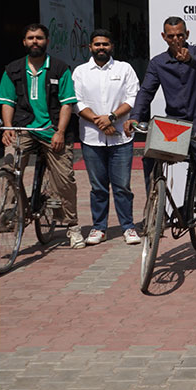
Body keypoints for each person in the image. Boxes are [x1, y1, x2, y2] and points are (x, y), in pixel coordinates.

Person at [131, 17, 196, 264]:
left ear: (186, 33)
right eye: (171, 36)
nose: (176, 39)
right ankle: (156, 211)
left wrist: (189, 59)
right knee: (150, 159)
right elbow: (146, 92)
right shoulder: (158, 63)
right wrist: (134, 117)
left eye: (180, 35)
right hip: (175, 129)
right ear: (163, 37)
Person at [0, 23, 81, 248]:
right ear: (24, 42)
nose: (35, 42)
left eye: (40, 38)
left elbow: (67, 105)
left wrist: (60, 132)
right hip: (24, 128)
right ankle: (15, 211)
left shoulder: (60, 68)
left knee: (64, 178)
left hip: (52, 129)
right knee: (9, 167)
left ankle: (72, 225)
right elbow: (7, 102)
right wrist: (7, 128)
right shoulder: (12, 69)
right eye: (31, 38)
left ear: (47, 41)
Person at [72, 29, 140, 247]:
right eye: (97, 44)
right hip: (92, 138)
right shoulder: (81, 72)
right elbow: (77, 102)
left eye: (105, 44)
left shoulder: (125, 68)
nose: (101, 48)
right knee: (98, 187)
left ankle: (128, 227)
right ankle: (99, 227)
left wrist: (111, 118)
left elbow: (133, 97)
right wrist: (99, 122)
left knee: (122, 186)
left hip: (120, 139)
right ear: (90, 47)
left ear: (112, 46)